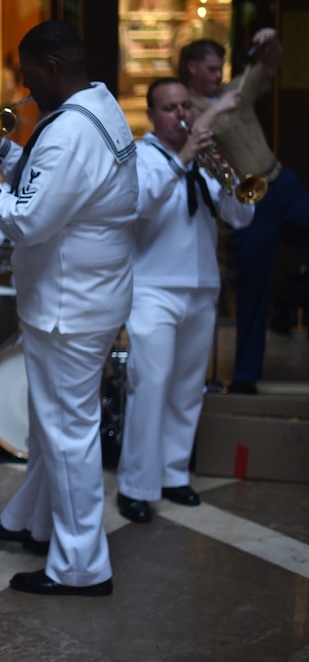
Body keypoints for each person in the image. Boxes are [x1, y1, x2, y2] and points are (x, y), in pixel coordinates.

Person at [0, 19, 137, 596]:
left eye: (28, 77)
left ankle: (81, 567)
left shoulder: (72, 131)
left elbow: (26, 218)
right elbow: (55, 179)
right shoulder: (97, 107)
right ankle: (31, 522)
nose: (24, 90)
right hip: (89, 297)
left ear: (52, 69)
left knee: (68, 431)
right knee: (56, 427)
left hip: (70, 307)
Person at [115, 78, 254, 524]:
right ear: (153, 116)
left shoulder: (205, 162)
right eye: (170, 108)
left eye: (184, 107)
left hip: (201, 287)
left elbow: (241, 216)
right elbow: (140, 205)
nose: (181, 115)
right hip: (153, 289)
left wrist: (232, 183)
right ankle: (136, 486)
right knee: (149, 386)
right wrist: (184, 158)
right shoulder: (142, 157)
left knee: (187, 388)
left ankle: (175, 474)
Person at [179, 29, 309, 395]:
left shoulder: (236, 89)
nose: (218, 75)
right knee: (253, 287)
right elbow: (191, 140)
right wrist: (219, 106)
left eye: (221, 67)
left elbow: (271, 64)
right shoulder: (188, 108)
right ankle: (245, 377)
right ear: (192, 69)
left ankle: (294, 299)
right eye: (210, 69)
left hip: (282, 183)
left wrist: (271, 41)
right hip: (250, 199)